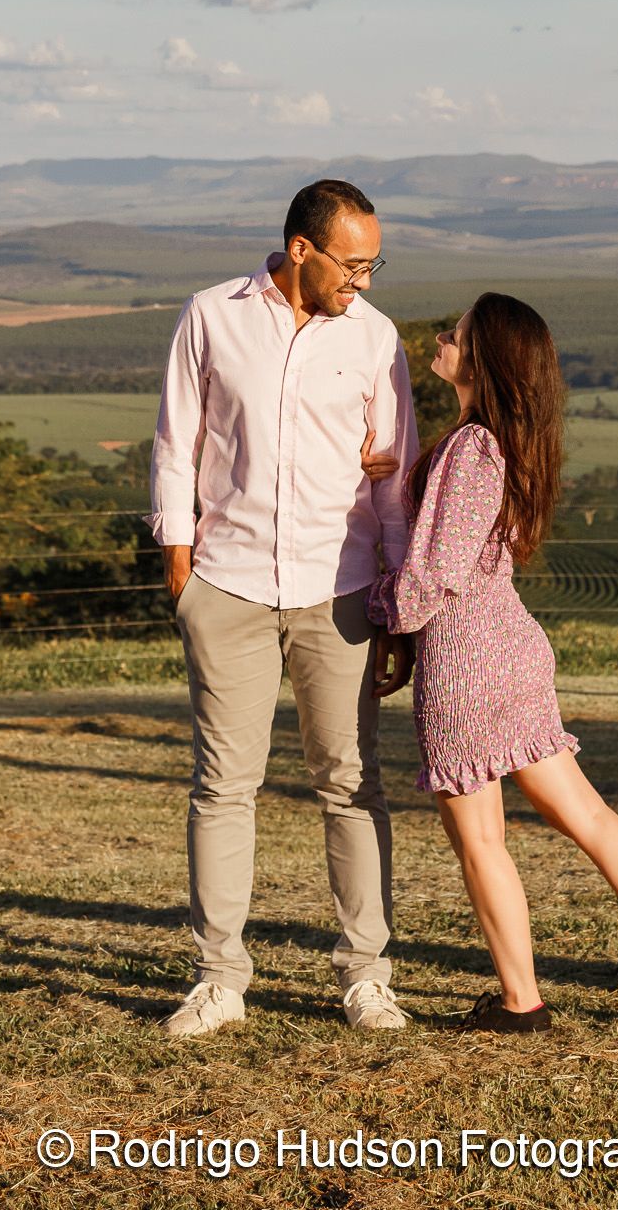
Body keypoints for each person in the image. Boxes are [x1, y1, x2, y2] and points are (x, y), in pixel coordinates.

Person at [369, 292, 618, 1035]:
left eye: (457, 335)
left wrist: (376, 609)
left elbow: (436, 573)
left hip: (467, 661)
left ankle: (520, 1001)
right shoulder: (511, 444)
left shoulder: (473, 448)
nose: (442, 338)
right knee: (586, 813)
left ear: (484, 360)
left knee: (482, 840)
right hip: (514, 648)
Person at [150, 176, 420, 1038]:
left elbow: (394, 485)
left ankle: (366, 976)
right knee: (223, 786)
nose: (364, 283)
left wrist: (396, 603)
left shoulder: (376, 340)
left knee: (351, 785)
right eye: (354, 264)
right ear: (301, 250)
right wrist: (182, 578)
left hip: (338, 594)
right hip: (224, 587)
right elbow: (174, 446)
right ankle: (219, 978)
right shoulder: (210, 316)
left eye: (375, 266)